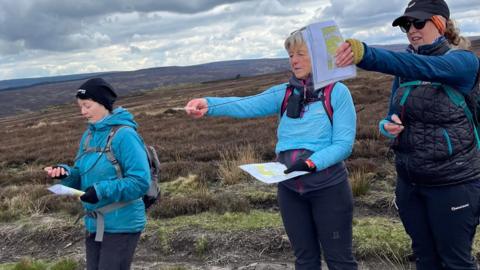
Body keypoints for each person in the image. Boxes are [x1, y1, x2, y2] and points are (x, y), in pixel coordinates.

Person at [185, 29, 358, 269]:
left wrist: (311, 163)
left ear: (319, 56)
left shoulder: (338, 92)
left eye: (300, 53)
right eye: (290, 55)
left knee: (340, 261)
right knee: (305, 260)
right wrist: (209, 104)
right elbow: (246, 104)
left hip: (328, 189)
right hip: (290, 190)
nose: (293, 60)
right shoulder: (285, 92)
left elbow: (343, 144)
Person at [336, 0, 480, 269]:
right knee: (425, 259)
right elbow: (391, 115)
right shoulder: (403, 73)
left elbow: (422, 67)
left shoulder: (462, 62)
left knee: (456, 262)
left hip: (454, 184)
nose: (411, 29)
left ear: (440, 23)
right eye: (405, 25)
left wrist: (365, 54)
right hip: (410, 184)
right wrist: (386, 125)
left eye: (418, 22)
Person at [44, 78, 151, 270]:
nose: (83, 112)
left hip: (122, 223)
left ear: (103, 103)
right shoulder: (89, 135)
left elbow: (140, 182)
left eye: (87, 105)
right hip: (94, 223)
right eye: (80, 106)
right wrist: (65, 173)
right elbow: (81, 174)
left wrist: (101, 190)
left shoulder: (125, 135)